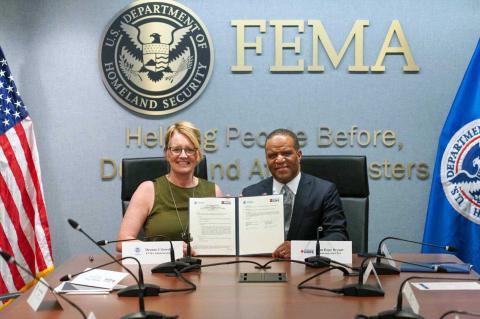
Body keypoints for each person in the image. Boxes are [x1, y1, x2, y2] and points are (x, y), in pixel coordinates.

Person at [117, 121, 222, 252]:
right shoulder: (148, 190)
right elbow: (122, 242)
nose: (183, 155)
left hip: (203, 269)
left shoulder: (214, 191)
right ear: (167, 153)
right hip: (158, 269)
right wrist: (171, 248)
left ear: (197, 154)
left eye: (189, 150)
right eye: (177, 149)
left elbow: (221, 242)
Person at [242, 128, 348, 258]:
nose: (279, 160)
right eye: (272, 156)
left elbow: (339, 238)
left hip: (307, 270)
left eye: (286, 153)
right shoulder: (251, 193)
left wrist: (299, 249)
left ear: (299, 155)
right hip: (263, 268)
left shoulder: (324, 191)